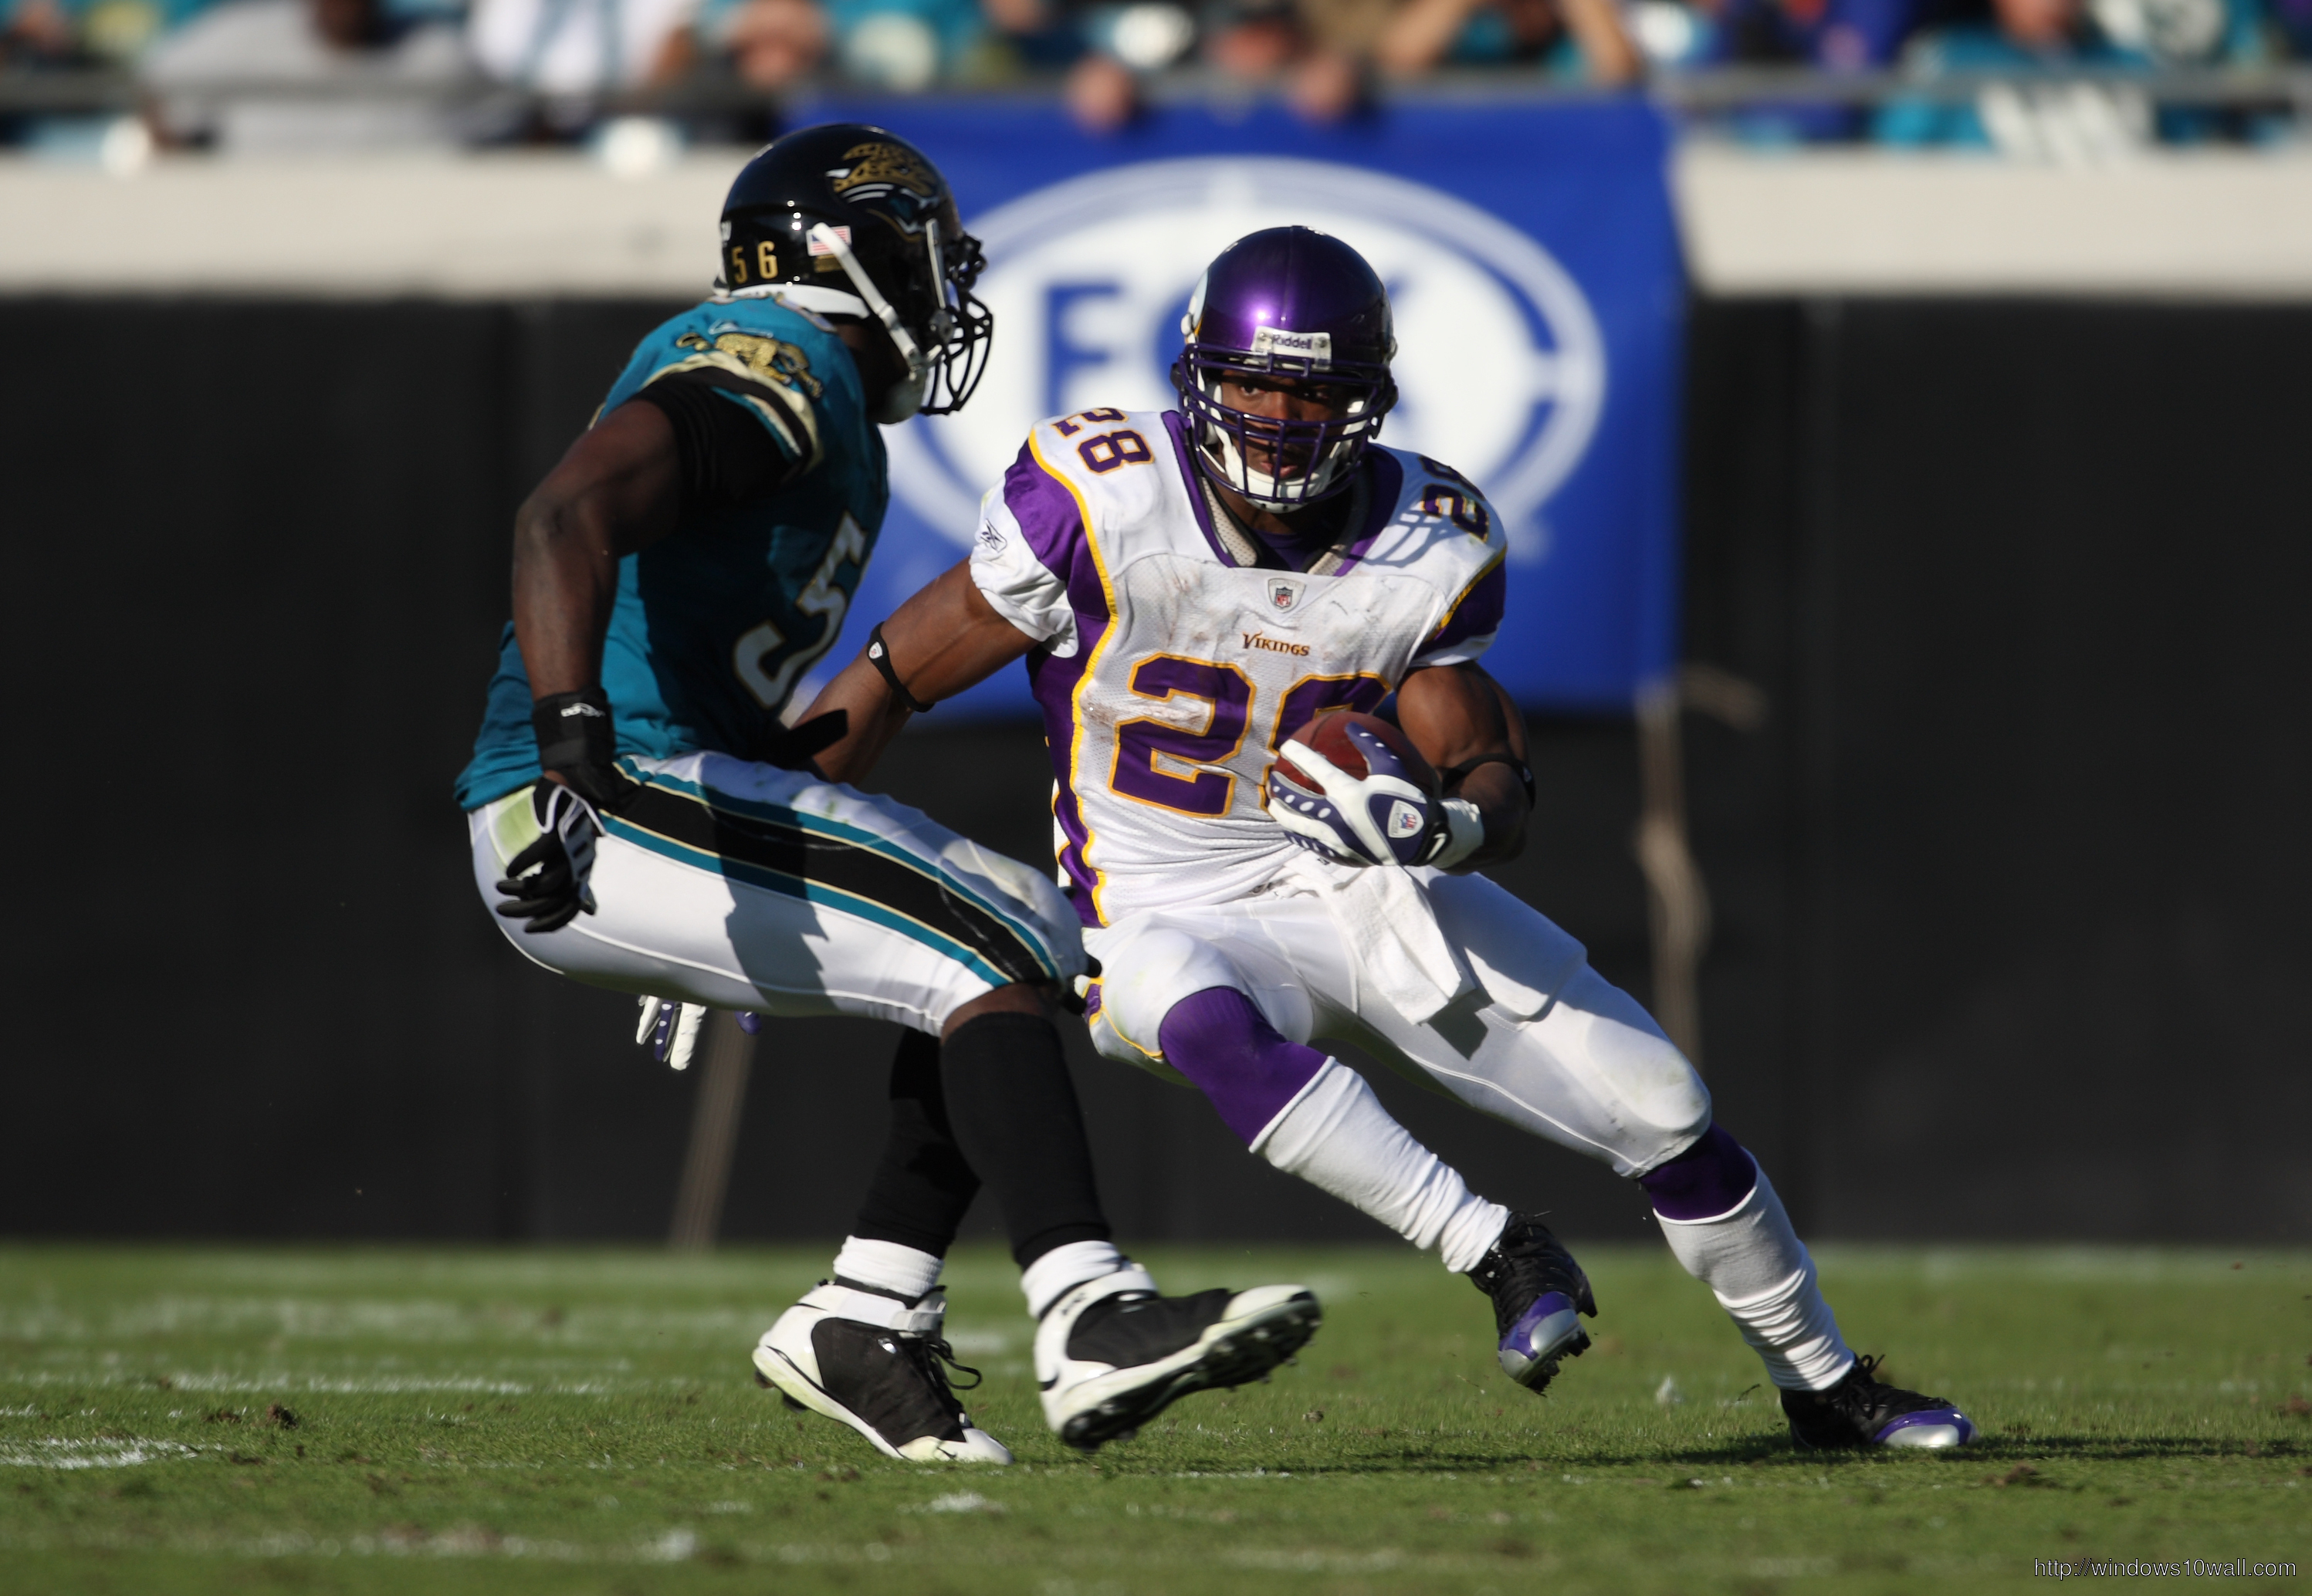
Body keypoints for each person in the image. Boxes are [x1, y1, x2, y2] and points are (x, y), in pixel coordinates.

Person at [796, 225, 1979, 1452]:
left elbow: (1491, 772)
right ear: (1198, 375)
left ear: (1368, 398)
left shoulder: (1430, 537)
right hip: (1153, 904)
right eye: (1256, 385)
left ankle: (1824, 1385)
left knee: (1664, 1109)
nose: (1279, 420)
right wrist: (750, 840)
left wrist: (1448, 825)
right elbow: (889, 675)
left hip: (1358, 888)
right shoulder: (1097, 496)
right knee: (1197, 1013)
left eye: (1313, 394)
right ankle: (1497, 1249)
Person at [454, 126, 1318, 1464]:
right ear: (847, 257)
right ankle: (1090, 1310)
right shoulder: (780, 359)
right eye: (927, 256)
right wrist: (579, 755)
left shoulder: (831, 408)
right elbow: (562, 517)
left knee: (1022, 930)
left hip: (666, 779)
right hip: (603, 790)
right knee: (995, 931)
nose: (945, 288)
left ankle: (867, 1313)